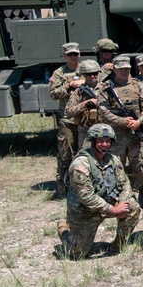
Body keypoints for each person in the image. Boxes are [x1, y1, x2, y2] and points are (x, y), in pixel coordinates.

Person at [58, 123, 141, 258]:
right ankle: (64, 229)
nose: (105, 145)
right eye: (101, 141)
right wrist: (112, 210)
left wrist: (123, 203)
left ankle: (118, 244)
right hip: (85, 211)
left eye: (108, 141)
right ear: (93, 142)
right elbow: (86, 196)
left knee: (132, 207)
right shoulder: (80, 165)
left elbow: (124, 183)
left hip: (106, 203)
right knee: (77, 254)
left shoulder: (113, 160)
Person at [97, 55, 143, 194]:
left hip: (136, 135)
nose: (124, 72)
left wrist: (140, 121)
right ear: (114, 69)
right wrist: (121, 121)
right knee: (115, 165)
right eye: (121, 69)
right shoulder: (106, 88)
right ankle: (116, 193)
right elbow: (103, 111)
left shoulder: (138, 85)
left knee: (138, 165)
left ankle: (138, 191)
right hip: (116, 136)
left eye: (126, 69)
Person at [49, 42, 83, 197]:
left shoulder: (85, 69)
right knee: (66, 152)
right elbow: (53, 93)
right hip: (67, 118)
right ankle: (63, 187)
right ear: (64, 56)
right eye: (70, 55)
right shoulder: (59, 73)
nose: (73, 57)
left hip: (84, 118)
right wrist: (68, 86)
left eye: (75, 54)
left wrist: (83, 82)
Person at [65, 59, 105, 148]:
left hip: (104, 129)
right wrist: (84, 104)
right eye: (88, 74)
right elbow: (68, 112)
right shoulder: (79, 92)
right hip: (86, 131)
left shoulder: (106, 89)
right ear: (83, 75)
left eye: (95, 73)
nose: (92, 76)